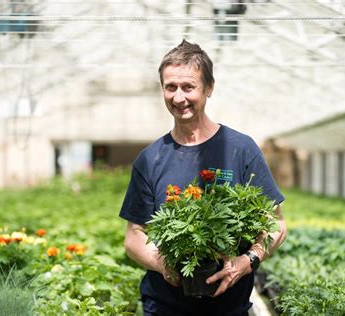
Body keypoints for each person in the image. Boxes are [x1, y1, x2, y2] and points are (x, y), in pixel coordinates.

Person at [119, 39, 287, 316]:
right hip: (164, 307)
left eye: (188, 87)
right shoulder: (150, 159)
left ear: (209, 88)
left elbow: (275, 225)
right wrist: (163, 264)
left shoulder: (241, 149)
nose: (178, 97)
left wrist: (247, 260)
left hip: (229, 307)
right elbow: (133, 237)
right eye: (170, 87)